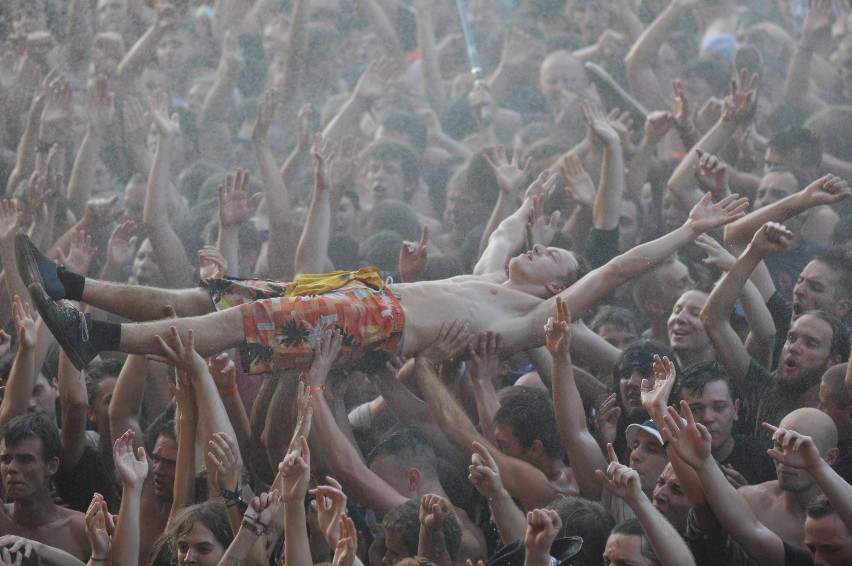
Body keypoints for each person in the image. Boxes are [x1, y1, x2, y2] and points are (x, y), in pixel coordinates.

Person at [16, 190, 748, 373]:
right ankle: (71, 284)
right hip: (364, 294)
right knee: (207, 299)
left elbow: (619, 265)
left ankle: (98, 340)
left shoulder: (539, 314)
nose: (543, 246)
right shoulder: (494, 274)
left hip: (376, 324)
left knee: (238, 327)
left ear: (564, 282)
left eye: (555, 250)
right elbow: (497, 236)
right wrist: (523, 207)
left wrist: (688, 230)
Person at [0, 414, 90, 561]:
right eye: (6, 459)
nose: (11, 468)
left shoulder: (80, 530)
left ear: (51, 466)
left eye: (25, 459)